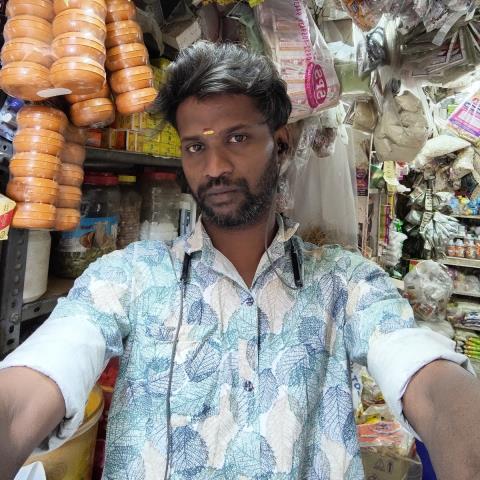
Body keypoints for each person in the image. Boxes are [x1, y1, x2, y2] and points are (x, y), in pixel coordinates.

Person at [1, 41, 480, 480]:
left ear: (282, 143)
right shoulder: (128, 278)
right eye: (196, 146)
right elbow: (36, 382)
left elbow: (430, 384)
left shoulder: (346, 284)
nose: (215, 168)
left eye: (237, 139)